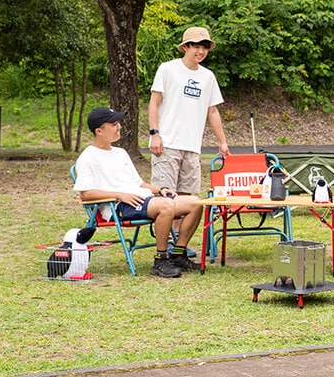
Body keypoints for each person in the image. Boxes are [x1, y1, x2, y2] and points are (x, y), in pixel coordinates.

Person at [73, 107, 203, 278]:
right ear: (99, 131)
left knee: (195, 203)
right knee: (166, 206)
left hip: (142, 199)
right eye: (114, 124)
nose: (119, 127)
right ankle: (160, 260)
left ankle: (178, 254)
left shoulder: (120, 153)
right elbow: (87, 193)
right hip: (119, 206)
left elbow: (138, 183)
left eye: (118, 123)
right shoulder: (88, 157)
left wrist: (159, 190)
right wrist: (120, 195)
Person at [148, 26, 229, 252]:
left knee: (186, 198)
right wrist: (154, 134)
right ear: (186, 47)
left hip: (192, 147)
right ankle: (166, 243)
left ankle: (179, 247)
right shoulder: (168, 69)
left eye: (205, 47)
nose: (200, 51)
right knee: (166, 197)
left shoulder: (208, 76)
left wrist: (222, 141)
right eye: (196, 46)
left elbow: (213, 111)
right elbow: (154, 102)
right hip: (167, 144)